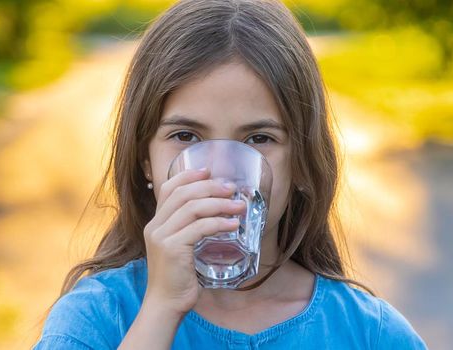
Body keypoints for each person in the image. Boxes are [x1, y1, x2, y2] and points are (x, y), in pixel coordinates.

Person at [35, 0, 427, 348]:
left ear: (304, 164)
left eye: (258, 138)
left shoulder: (371, 334)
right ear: (144, 162)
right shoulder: (95, 321)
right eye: (186, 136)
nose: (222, 176)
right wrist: (161, 309)